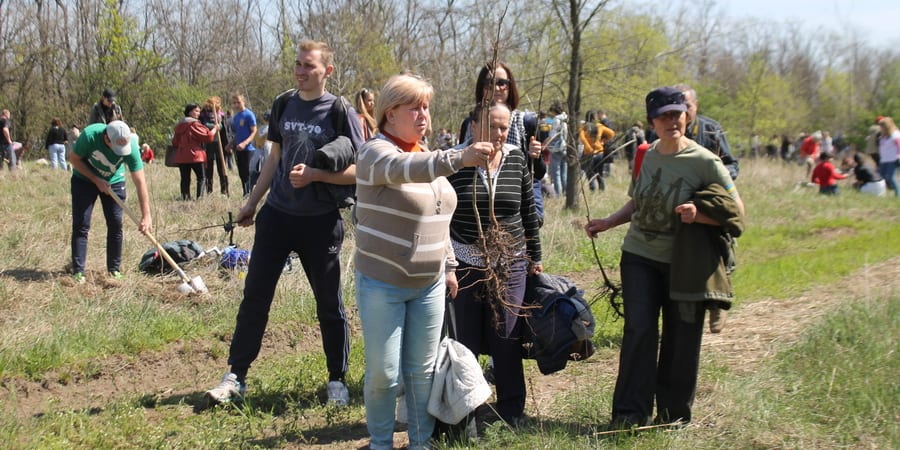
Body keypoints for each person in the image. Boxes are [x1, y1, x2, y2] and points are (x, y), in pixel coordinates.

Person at [205, 40, 364, 408]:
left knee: (329, 303)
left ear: (328, 70)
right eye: (298, 64)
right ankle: (236, 376)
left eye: (309, 66)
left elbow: (359, 171)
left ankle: (337, 379)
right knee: (255, 297)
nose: (301, 71)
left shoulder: (340, 111)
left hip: (320, 222)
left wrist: (315, 175)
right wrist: (251, 204)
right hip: (276, 216)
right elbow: (272, 159)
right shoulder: (283, 103)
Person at [584, 86, 744, 428]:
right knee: (639, 331)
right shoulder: (646, 154)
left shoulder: (706, 161)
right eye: (664, 115)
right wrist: (609, 222)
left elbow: (737, 213)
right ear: (651, 120)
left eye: (678, 113)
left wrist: (699, 213)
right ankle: (630, 414)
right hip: (639, 255)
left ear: (687, 115)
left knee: (682, 337)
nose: (672, 121)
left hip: (685, 264)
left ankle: (673, 416)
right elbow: (639, 201)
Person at [354, 73, 492, 450]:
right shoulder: (375, 153)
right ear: (389, 113)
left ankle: (420, 443)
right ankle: (381, 443)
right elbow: (404, 171)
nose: (423, 115)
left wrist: (448, 265)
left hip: (429, 283)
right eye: (413, 106)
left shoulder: (424, 153)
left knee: (422, 372)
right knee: (384, 374)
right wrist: (459, 156)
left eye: (426, 107)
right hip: (382, 283)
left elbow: (438, 215)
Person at [448, 102, 542, 427]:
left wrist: (536, 257)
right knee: (466, 341)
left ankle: (512, 410)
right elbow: (441, 215)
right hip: (466, 263)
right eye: (492, 127)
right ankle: (465, 413)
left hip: (510, 262)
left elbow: (528, 209)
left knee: (507, 336)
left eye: (504, 127)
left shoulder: (516, 157)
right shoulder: (455, 161)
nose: (499, 134)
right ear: (473, 127)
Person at [458, 62, 547, 223]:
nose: (496, 88)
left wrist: (536, 157)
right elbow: (459, 166)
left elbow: (538, 174)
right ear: (481, 87)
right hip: (477, 204)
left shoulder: (526, 122)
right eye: (489, 83)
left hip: (516, 203)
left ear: (510, 86)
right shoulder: (469, 123)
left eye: (502, 83)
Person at [69, 120, 152, 283]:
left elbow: (140, 181)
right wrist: (95, 179)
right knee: (81, 224)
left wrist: (146, 215)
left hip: (114, 181)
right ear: (106, 139)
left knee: (115, 223)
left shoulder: (132, 146)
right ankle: (78, 271)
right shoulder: (89, 136)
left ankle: (114, 269)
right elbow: (73, 159)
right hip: (84, 179)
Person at [673, 84, 740, 180]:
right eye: (678, 106)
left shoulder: (712, 130)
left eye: (687, 106)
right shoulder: (662, 131)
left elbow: (732, 165)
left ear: (696, 105)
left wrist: (714, 174)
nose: (683, 111)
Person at [172, 103, 216, 200]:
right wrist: (215, 129)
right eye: (196, 111)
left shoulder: (179, 125)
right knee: (202, 178)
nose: (198, 113)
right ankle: (200, 199)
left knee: (185, 179)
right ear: (189, 112)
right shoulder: (194, 124)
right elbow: (208, 137)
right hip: (195, 155)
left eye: (199, 111)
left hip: (182, 155)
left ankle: (185, 198)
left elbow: (174, 142)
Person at [227, 93, 257, 196]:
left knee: (248, 172)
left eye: (238, 102)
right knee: (241, 172)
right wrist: (230, 144)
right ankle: (245, 193)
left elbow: (254, 131)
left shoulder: (249, 114)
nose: (236, 105)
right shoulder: (235, 117)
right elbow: (237, 133)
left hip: (249, 149)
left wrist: (245, 143)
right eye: (234, 103)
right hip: (238, 149)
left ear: (243, 102)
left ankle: (251, 193)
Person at [199, 96, 230, 195]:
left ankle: (224, 190)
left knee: (222, 168)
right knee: (208, 169)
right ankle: (209, 190)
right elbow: (202, 127)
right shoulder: (203, 115)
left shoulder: (221, 115)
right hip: (208, 144)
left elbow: (225, 130)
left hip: (220, 144)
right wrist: (214, 127)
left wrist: (228, 145)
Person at [580, 109, 616, 191]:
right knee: (599, 172)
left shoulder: (584, 127)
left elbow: (582, 138)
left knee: (589, 172)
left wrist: (588, 148)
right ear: (595, 117)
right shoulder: (600, 126)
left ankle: (593, 189)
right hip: (600, 152)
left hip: (589, 153)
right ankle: (601, 189)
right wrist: (603, 141)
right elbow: (612, 134)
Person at [545, 102, 568, 196]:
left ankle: (558, 194)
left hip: (556, 148)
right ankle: (565, 192)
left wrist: (545, 143)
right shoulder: (565, 119)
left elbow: (552, 135)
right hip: (565, 147)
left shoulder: (556, 120)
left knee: (556, 173)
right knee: (564, 173)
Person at [876, 117, 900, 197]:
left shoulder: (895, 134)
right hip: (884, 159)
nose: (881, 128)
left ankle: (898, 193)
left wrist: (898, 156)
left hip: (893, 159)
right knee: (881, 177)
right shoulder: (883, 136)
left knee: (890, 177)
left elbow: (899, 146)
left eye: (882, 126)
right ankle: (882, 193)